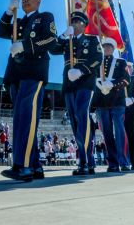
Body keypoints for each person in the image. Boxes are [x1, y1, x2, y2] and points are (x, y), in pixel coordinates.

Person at [0, 0, 58, 181]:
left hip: (33, 72)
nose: (24, 0)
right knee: (22, 120)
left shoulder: (44, 17)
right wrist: (8, 12)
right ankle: (35, 166)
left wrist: (25, 45)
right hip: (15, 74)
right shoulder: (17, 20)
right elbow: (0, 32)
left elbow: (51, 40)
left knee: (26, 119)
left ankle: (23, 166)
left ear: (38, 0)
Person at [51, 11, 103, 176]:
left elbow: (98, 57)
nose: (73, 24)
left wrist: (81, 70)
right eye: (72, 22)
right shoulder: (67, 42)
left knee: (82, 114)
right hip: (69, 84)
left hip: (85, 82)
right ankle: (87, 160)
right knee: (74, 120)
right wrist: (63, 35)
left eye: (77, 22)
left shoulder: (91, 39)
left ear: (84, 24)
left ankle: (86, 160)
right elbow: (53, 49)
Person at [92, 37, 131, 173]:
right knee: (106, 133)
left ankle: (124, 161)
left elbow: (127, 80)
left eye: (109, 46)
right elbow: (91, 78)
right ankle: (113, 163)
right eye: (105, 46)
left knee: (119, 130)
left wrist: (112, 85)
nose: (107, 48)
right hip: (101, 102)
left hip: (117, 100)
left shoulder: (121, 62)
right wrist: (98, 84)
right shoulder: (98, 62)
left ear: (114, 49)